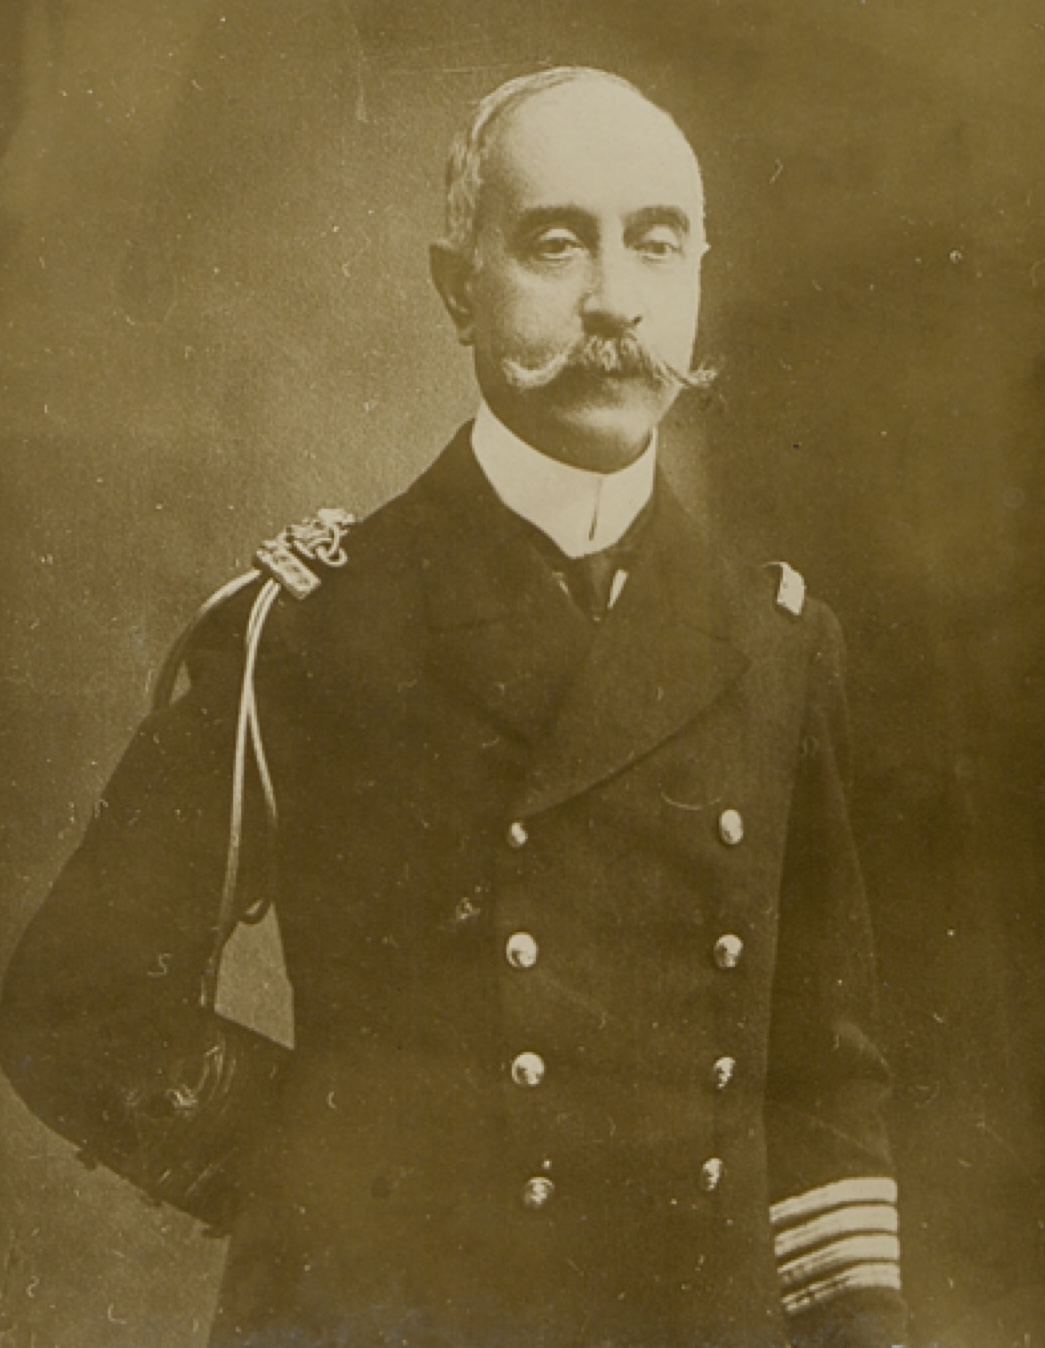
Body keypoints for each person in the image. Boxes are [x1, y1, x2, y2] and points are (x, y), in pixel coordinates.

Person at [0, 67, 907, 1348]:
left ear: (700, 277)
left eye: (656, 242)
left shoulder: (779, 645)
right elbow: (76, 1005)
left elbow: (823, 1075)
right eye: (555, 242)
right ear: (456, 287)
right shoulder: (302, 635)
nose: (613, 299)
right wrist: (337, 1192)